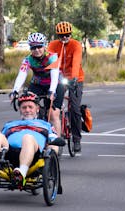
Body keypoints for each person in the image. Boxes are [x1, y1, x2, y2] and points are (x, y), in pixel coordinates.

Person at [0, 91, 57, 189]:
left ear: (37, 109)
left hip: (33, 155)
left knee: (27, 137)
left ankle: (22, 173)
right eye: (24, 107)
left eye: (30, 107)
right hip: (9, 154)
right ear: (20, 110)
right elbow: (0, 139)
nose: (27, 110)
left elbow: (54, 143)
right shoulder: (10, 124)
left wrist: (52, 160)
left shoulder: (46, 125)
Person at [10, 32, 63, 138]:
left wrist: (52, 91)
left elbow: (54, 74)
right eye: (33, 48)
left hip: (55, 84)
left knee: (52, 114)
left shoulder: (52, 57)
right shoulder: (28, 60)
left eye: (39, 46)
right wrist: (15, 90)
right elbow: (22, 74)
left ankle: (56, 143)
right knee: (30, 106)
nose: (37, 50)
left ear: (44, 46)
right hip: (37, 84)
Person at [48, 21, 85, 153]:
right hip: (59, 77)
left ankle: (76, 139)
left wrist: (74, 78)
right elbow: (51, 62)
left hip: (76, 78)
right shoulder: (53, 45)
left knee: (75, 108)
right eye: (61, 35)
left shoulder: (76, 45)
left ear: (70, 34)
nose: (64, 37)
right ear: (58, 35)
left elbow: (76, 62)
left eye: (67, 34)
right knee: (51, 106)